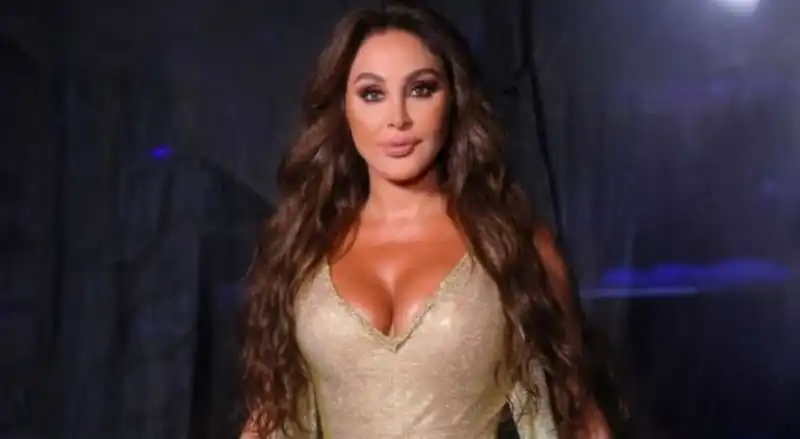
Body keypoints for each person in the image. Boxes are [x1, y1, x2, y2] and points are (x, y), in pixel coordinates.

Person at [241, 2, 612, 438]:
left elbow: (578, 415)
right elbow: (270, 415)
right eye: (372, 94)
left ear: (453, 98)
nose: (397, 119)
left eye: (421, 89)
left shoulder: (514, 246)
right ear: (343, 106)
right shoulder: (303, 246)